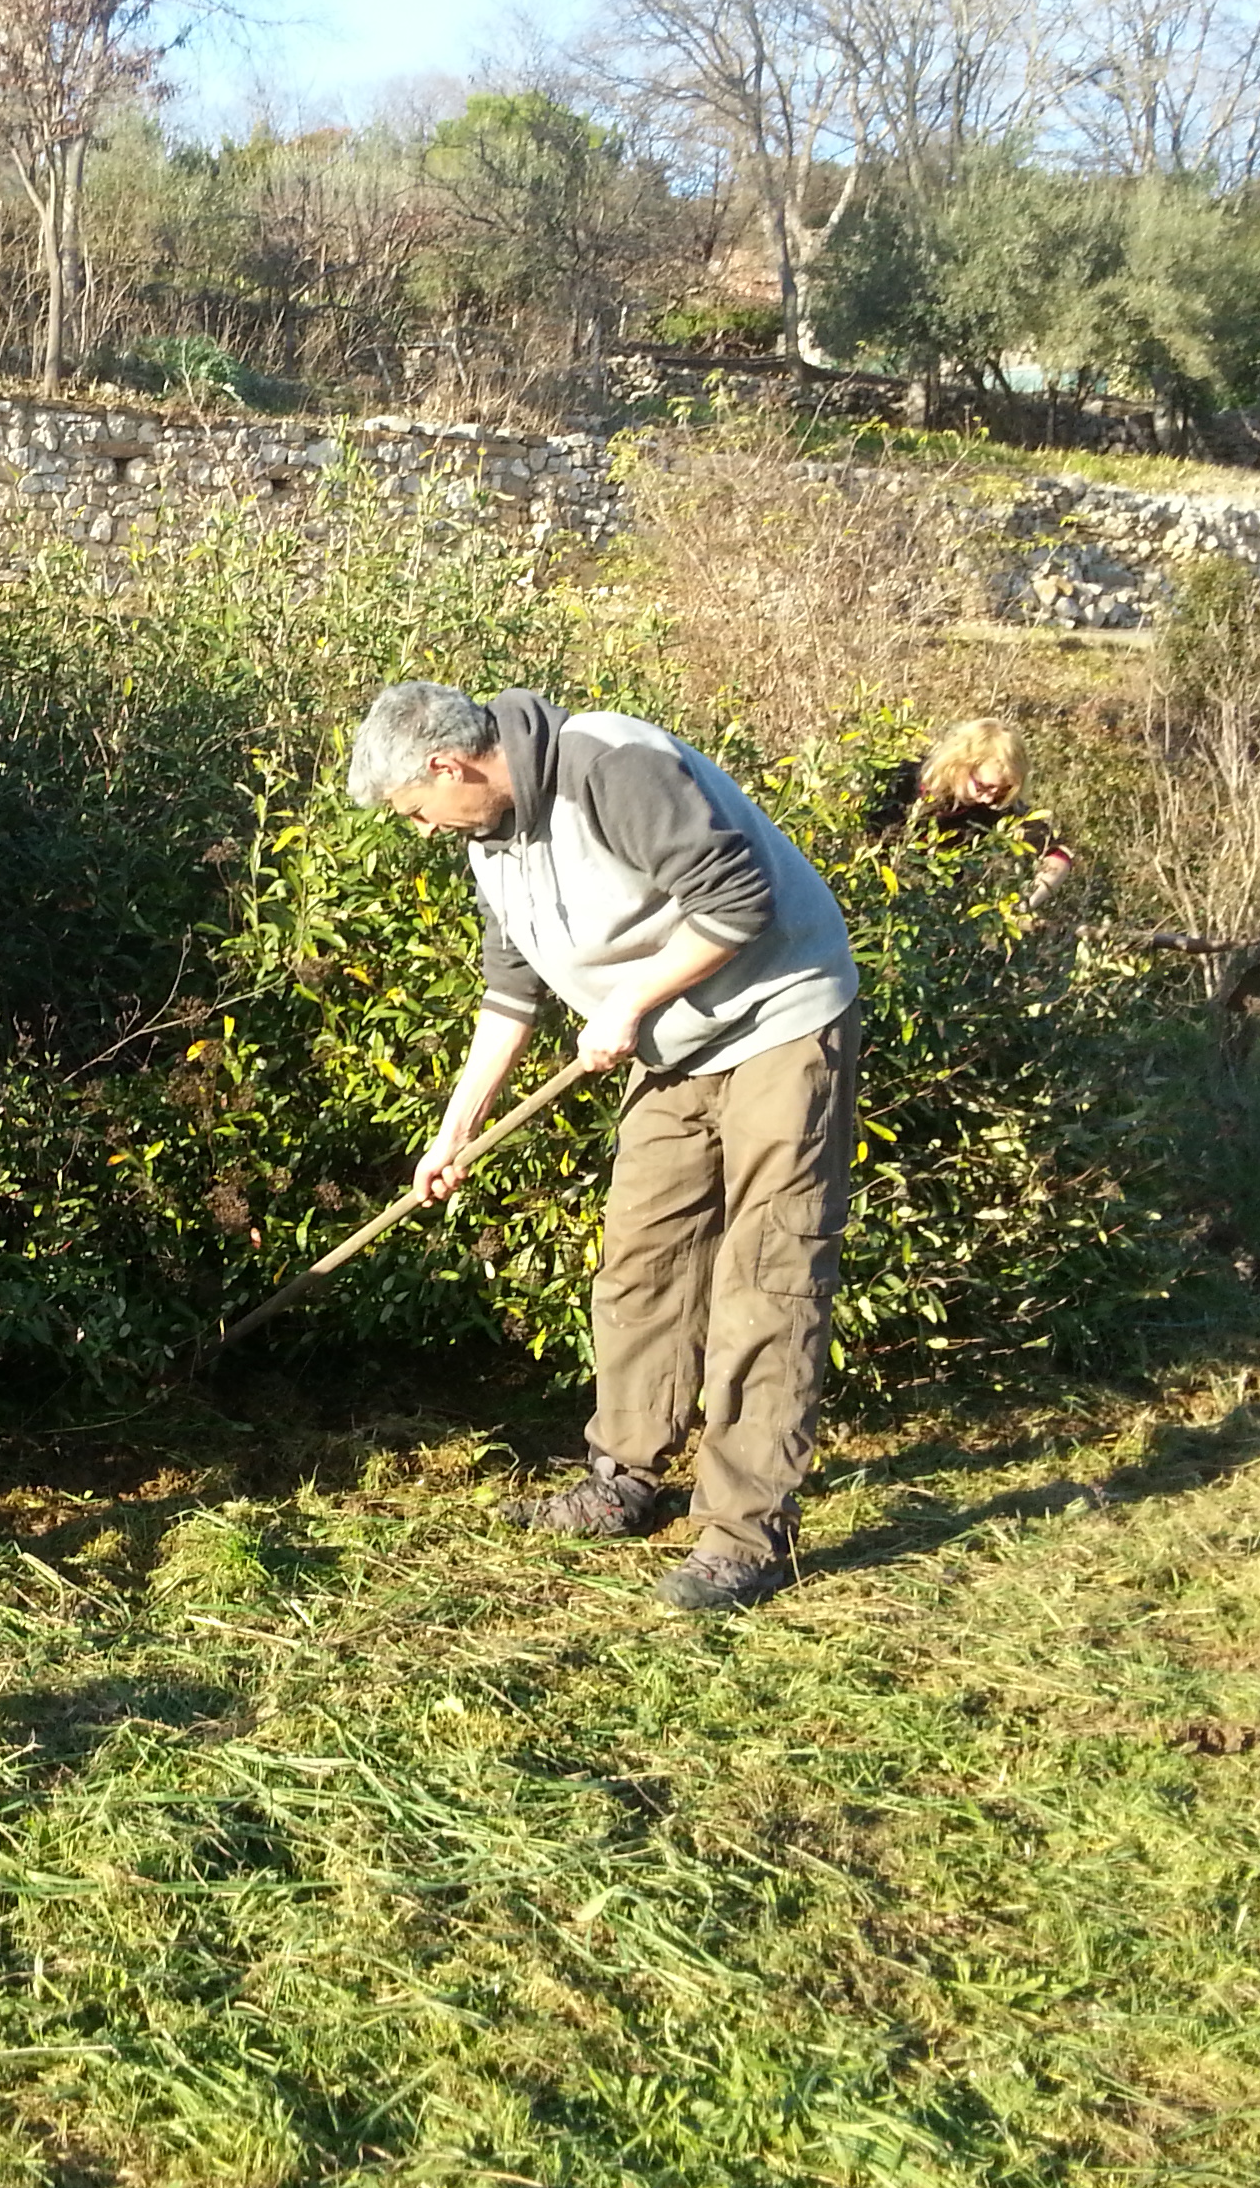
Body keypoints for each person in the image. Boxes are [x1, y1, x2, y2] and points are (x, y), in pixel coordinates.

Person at [347, 682, 862, 1613]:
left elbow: (737, 897)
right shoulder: (490, 838)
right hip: (675, 1047)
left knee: (768, 1275)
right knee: (641, 1259)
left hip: (781, 1019)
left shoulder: (609, 765)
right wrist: (455, 1131)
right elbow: (511, 993)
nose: (421, 829)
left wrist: (629, 1001)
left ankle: (744, 1535)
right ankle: (623, 1478)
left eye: (416, 809)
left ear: (448, 766)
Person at [872, 716, 1073, 907]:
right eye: (983, 786)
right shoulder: (897, 780)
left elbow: (1057, 854)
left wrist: (1024, 905)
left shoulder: (998, 807)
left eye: (1002, 790)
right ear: (958, 764)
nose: (988, 799)